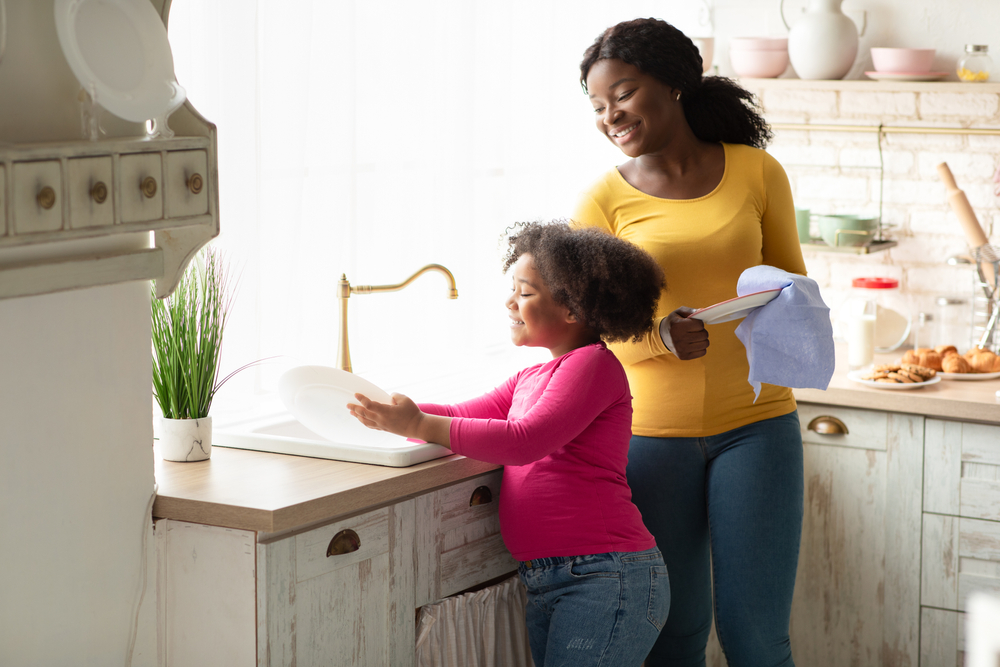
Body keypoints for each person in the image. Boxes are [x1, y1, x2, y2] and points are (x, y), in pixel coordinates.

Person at [573, 18, 809, 667]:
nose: (610, 114)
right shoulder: (602, 200)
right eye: (597, 105)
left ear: (674, 83)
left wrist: (788, 305)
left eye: (621, 93)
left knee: (757, 638)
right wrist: (658, 339)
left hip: (758, 427)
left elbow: (795, 280)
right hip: (649, 438)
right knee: (672, 636)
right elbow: (581, 334)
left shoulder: (758, 172)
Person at [348, 221, 670, 667]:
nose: (509, 301)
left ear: (573, 309)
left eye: (525, 292)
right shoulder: (531, 376)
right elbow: (461, 415)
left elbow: (524, 441)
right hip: (553, 578)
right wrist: (383, 412)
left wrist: (418, 422)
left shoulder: (594, 366)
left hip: (605, 575)